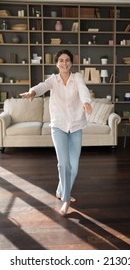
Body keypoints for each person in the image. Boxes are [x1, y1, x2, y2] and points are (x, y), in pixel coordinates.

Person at [20, 49, 92, 216]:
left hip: (76, 126)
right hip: (58, 126)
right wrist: (32, 92)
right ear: (56, 63)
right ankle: (66, 199)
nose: (64, 63)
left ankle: (60, 190)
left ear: (71, 63)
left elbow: (83, 90)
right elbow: (42, 86)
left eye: (67, 60)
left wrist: (86, 102)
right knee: (63, 164)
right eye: (61, 60)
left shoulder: (77, 78)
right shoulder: (53, 80)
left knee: (74, 167)